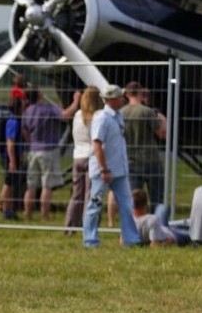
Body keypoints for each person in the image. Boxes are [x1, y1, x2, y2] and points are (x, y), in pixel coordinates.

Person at [82, 85, 141, 248]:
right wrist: (104, 169)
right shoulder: (102, 118)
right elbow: (97, 145)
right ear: (111, 100)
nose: (123, 99)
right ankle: (90, 240)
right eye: (119, 97)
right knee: (95, 205)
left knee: (127, 204)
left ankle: (131, 239)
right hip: (104, 170)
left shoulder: (118, 116)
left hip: (119, 169)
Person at [21, 87, 80, 221]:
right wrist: (75, 102)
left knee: (31, 185)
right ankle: (44, 215)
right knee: (47, 186)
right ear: (39, 95)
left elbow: (24, 131)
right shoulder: (47, 109)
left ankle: (27, 214)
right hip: (48, 151)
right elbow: (65, 115)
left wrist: (31, 142)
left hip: (33, 150)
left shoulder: (27, 111)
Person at [121, 81, 167, 208]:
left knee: (134, 198)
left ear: (126, 95)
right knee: (157, 198)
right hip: (151, 159)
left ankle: (134, 224)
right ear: (141, 93)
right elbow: (162, 134)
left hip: (130, 160)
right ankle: (156, 223)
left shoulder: (120, 113)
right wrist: (163, 120)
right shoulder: (147, 112)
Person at [64, 86, 103, 235]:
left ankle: (69, 226)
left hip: (77, 156)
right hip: (91, 157)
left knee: (76, 195)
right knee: (90, 195)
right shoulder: (98, 117)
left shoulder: (77, 115)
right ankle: (88, 226)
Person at [0, 96, 25, 221]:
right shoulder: (13, 122)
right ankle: (1, 204)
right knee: (8, 183)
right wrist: (12, 161)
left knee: (11, 184)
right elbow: (10, 143)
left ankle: (8, 209)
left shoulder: (16, 120)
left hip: (15, 156)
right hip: (12, 158)